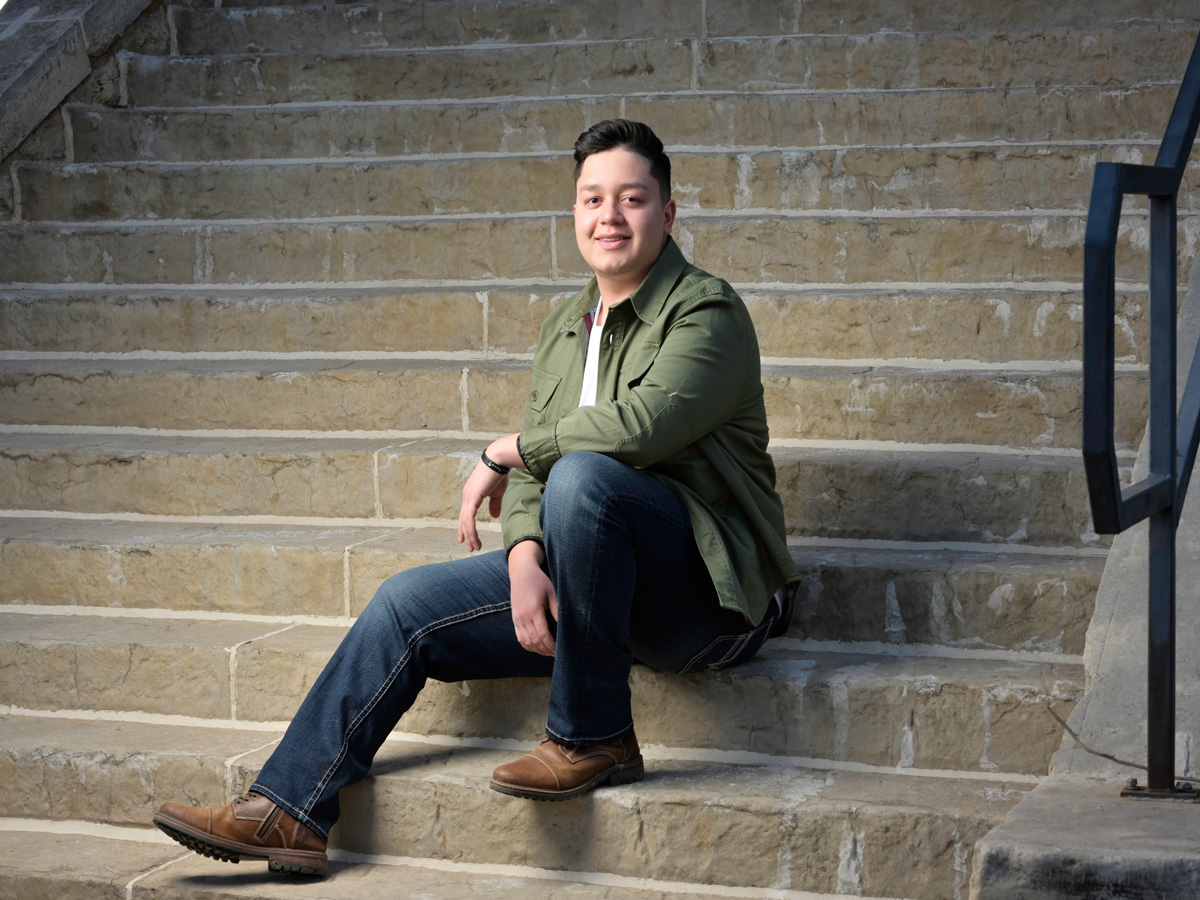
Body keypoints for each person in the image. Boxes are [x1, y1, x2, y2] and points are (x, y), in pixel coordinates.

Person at [152, 119, 799, 877]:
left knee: (588, 478)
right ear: (575, 214)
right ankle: (291, 810)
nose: (610, 217)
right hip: (594, 582)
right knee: (404, 605)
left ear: (668, 213)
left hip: (705, 600)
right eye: (593, 199)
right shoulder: (565, 326)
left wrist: (505, 451)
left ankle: (594, 736)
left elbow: (638, 429)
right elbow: (537, 465)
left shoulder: (707, 312)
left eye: (632, 198)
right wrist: (525, 555)